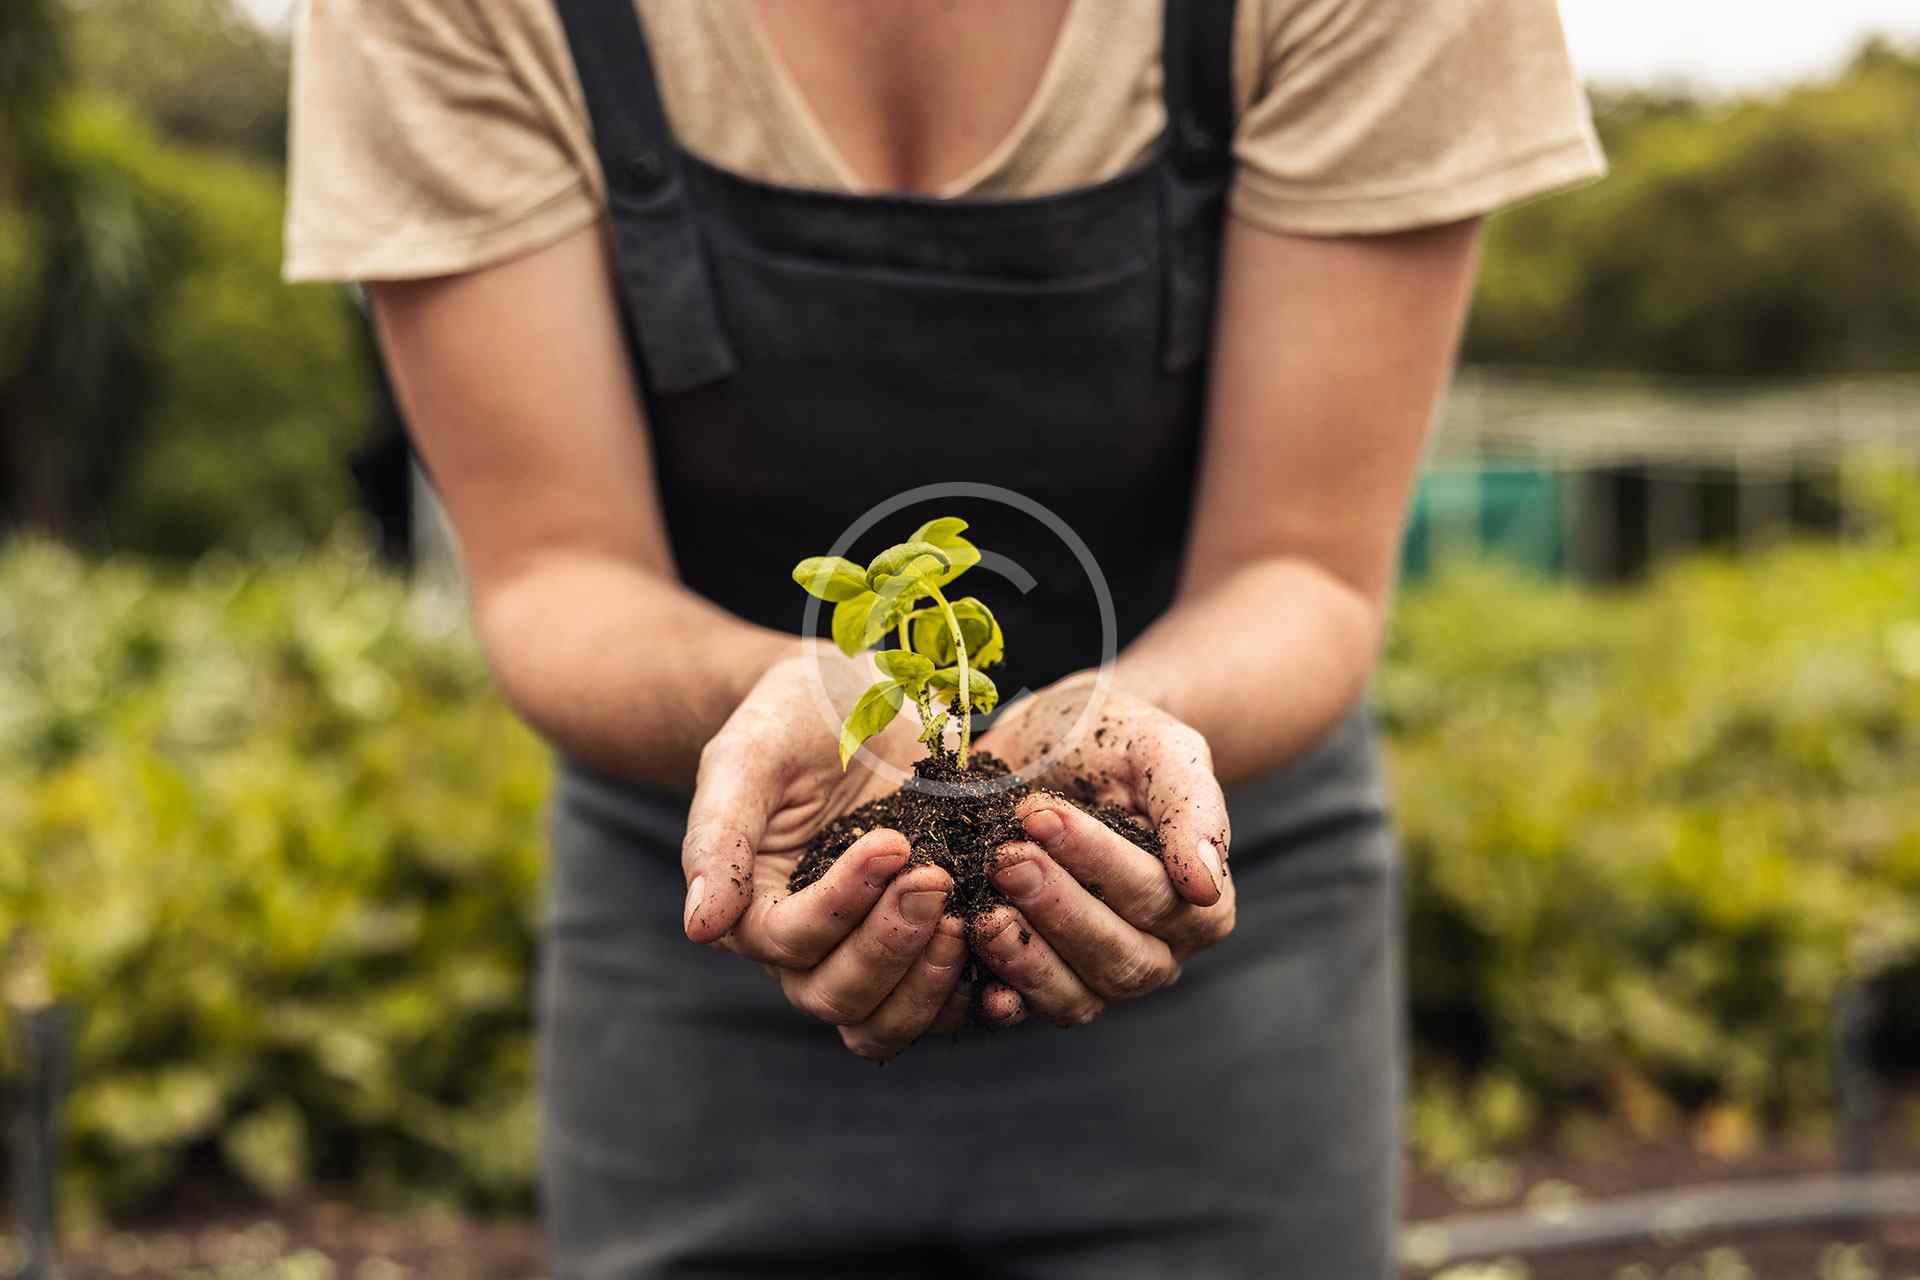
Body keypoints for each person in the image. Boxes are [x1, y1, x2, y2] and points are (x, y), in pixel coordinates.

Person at [286, 1, 1603, 1275]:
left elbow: (1301, 563)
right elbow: (555, 570)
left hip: (1207, 904)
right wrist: (786, 695)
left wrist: (1112, 728)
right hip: (712, 918)